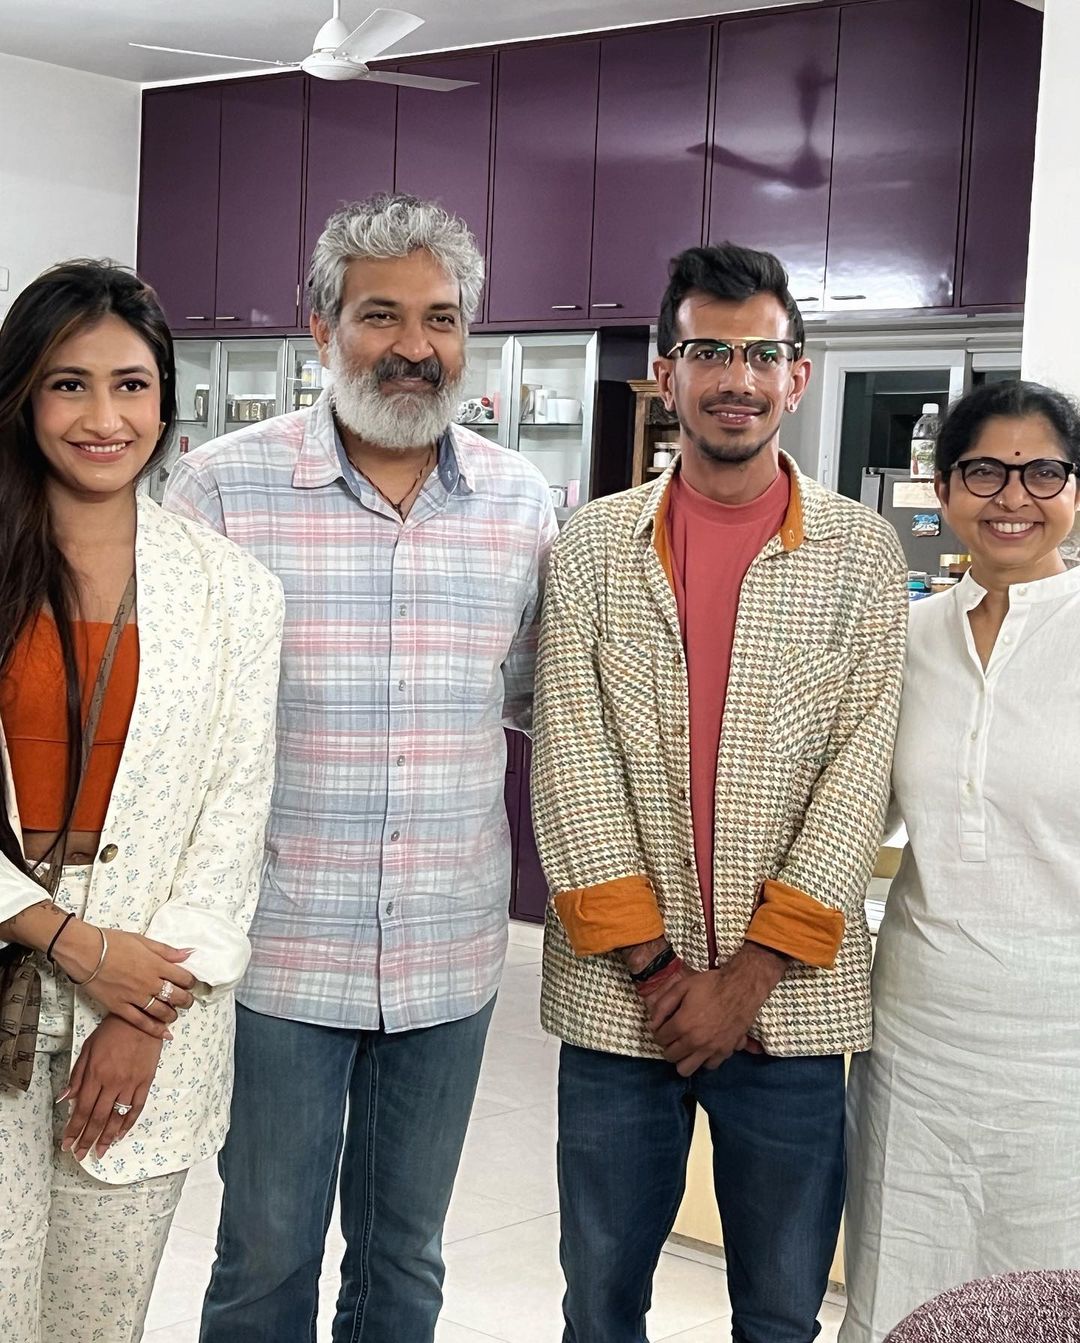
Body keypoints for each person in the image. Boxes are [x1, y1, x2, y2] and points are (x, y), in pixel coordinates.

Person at [163, 193, 558, 1343]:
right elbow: (173, 729)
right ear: (319, 324)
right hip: (280, 949)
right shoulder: (223, 492)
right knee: (267, 1252)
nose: (412, 346)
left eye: (440, 318)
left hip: (447, 948)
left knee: (405, 1258)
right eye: (380, 314)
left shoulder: (523, 505)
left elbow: (535, 698)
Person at [531, 242, 908, 1343]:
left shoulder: (860, 553)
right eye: (708, 350)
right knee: (601, 1302)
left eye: (762, 353)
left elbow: (859, 773)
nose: (735, 377)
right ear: (664, 371)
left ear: (796, 374)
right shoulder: (596, 544)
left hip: (789, 1001)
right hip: (618, 998)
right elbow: (571, 765)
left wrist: (748, 973)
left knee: (783, 1308)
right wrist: (657, 968)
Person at [0, 259, 283, 1343]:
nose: (103, 416)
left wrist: (139, 1005)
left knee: (95, 1320)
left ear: (166, 399)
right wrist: (63, 935)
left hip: (149, 1010)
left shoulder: (234, 590)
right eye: (69, 384)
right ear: (25, 394)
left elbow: (230, 818)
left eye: (130, 383)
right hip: (22, 943)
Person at [842, 381, 1080, 1342]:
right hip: (919, 1040)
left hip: (1063, 1050)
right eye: (984, 470)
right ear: (941, 489)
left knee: (1048, 1294)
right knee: (908, 1291)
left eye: (1043, 472)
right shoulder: (908, 637)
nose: (1012, 496)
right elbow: (861, 816)